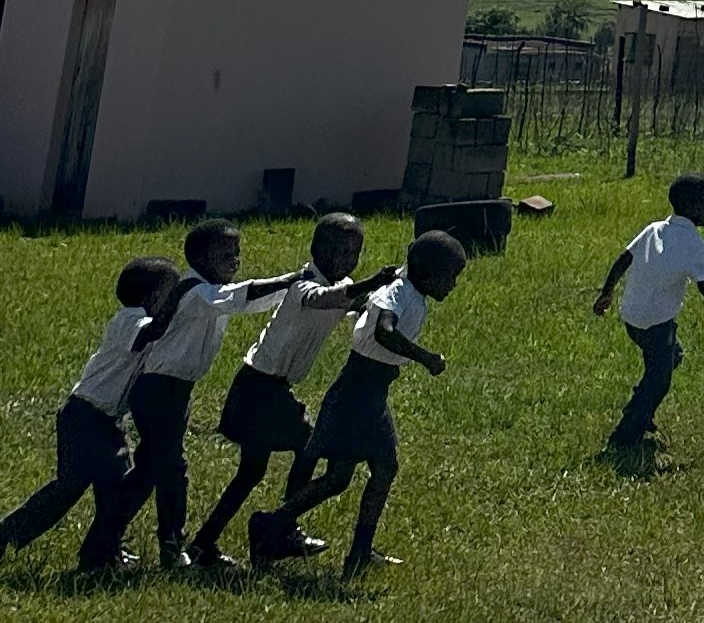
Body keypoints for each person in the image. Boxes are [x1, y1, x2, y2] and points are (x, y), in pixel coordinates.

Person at [250, 231, 463, 577]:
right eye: (449, 277)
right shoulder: (399, 292)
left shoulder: (410, 293)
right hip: (357, 393)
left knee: (351, 475)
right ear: (425, 274)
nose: (453, 285)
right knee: (359, 472)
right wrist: (425, 358)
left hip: (370, 391)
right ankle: (279, 527)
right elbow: (384, 331)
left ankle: (344, 546)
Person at [191, 214, 396, 564]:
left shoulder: (341, 285)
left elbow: (355, 303)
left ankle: (204, 543)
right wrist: (369, 283)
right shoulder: (304, 283)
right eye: (339, 251)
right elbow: (324, 299)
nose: (347, 259)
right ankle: (281, 528)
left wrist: (388, 293)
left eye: (354, 252)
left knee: (251, 472)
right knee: (309, 444)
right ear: (316, 250)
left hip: (270, 388)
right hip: (258, 388)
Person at [0, 257, 178, 578]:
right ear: (151, 298)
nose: (175, 298)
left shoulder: (144, 320)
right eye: (171, 293)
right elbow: (150, 334)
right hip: (84, 415)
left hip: (108, 421)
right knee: (70, 488)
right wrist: (184, 306)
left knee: (118, 487)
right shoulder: (129, 320)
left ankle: (102, 552)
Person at [127, 220, 300, 571]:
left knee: (149, 471)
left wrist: (288, 289)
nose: (235, 260)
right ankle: (172, 549)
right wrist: (289, 281)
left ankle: (104, 541)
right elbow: (239, 298)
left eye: (237, 253)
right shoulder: (194, 291)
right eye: (225, 255)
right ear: (200, 259)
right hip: (160, 390)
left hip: (172, 392)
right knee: (173, 470)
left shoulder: (208, 291)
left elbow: (241, 299)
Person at [592, 173, 704, 454]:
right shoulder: (694, 244)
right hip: (657, 323)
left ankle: (638, 404)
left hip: (632, 318)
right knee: (659, 380)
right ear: (691, 206)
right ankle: (626, 435)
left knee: (671, 356)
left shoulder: (653, 229)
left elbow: (623, 259)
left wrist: (606, 292)